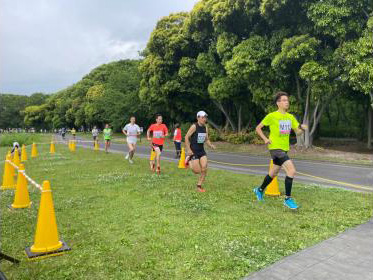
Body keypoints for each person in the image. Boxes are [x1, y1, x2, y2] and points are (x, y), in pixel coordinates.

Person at [254, 91, 308, 209]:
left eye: (287, 100)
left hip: (284, 148)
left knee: (273, 173)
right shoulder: (272, 116)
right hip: (275, 148)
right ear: (278, 103)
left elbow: (297, 133)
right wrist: (265, 139)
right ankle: (287, 199)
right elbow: (258, 128)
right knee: (292, 171)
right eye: (283, 100)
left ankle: (259, 190)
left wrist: (302, 129)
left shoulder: (290, 117)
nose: (286, 102)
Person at [184, 111, 216, 192]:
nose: (204, 119)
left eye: (205, 117)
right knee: (197, 171)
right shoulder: (194, 126)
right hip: (193, 151)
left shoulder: (205, 127)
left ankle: (199, 186)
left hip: (201, 151)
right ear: (198, 118)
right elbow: (186, 137)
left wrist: (210, 145)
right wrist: (188, 149)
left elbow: (206, 139)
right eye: (202, 117)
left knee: (204, 168)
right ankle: (188, 160)